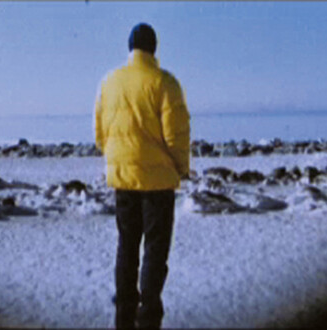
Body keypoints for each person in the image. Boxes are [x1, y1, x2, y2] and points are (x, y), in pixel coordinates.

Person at [94, 23, 190, 329]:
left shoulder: (110, 82)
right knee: (155, 248)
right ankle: (148, 313)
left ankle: (124, 310)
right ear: (154, 48)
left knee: (127, 243)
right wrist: (181, 167)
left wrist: (117, 158)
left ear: (130, 47)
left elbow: (100, 132)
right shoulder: (165, 83)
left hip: (122, 177)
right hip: (158, 181)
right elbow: (176, 135)